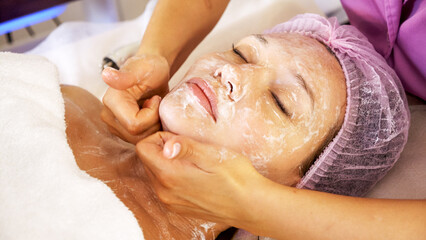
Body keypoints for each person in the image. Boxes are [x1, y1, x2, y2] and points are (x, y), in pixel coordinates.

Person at [100, 0, 426, 239]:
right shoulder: (71, 106)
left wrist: (255, 206)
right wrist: (155, 52)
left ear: (301, 184)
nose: (230, 73)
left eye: (280, 102)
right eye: (241, 54)